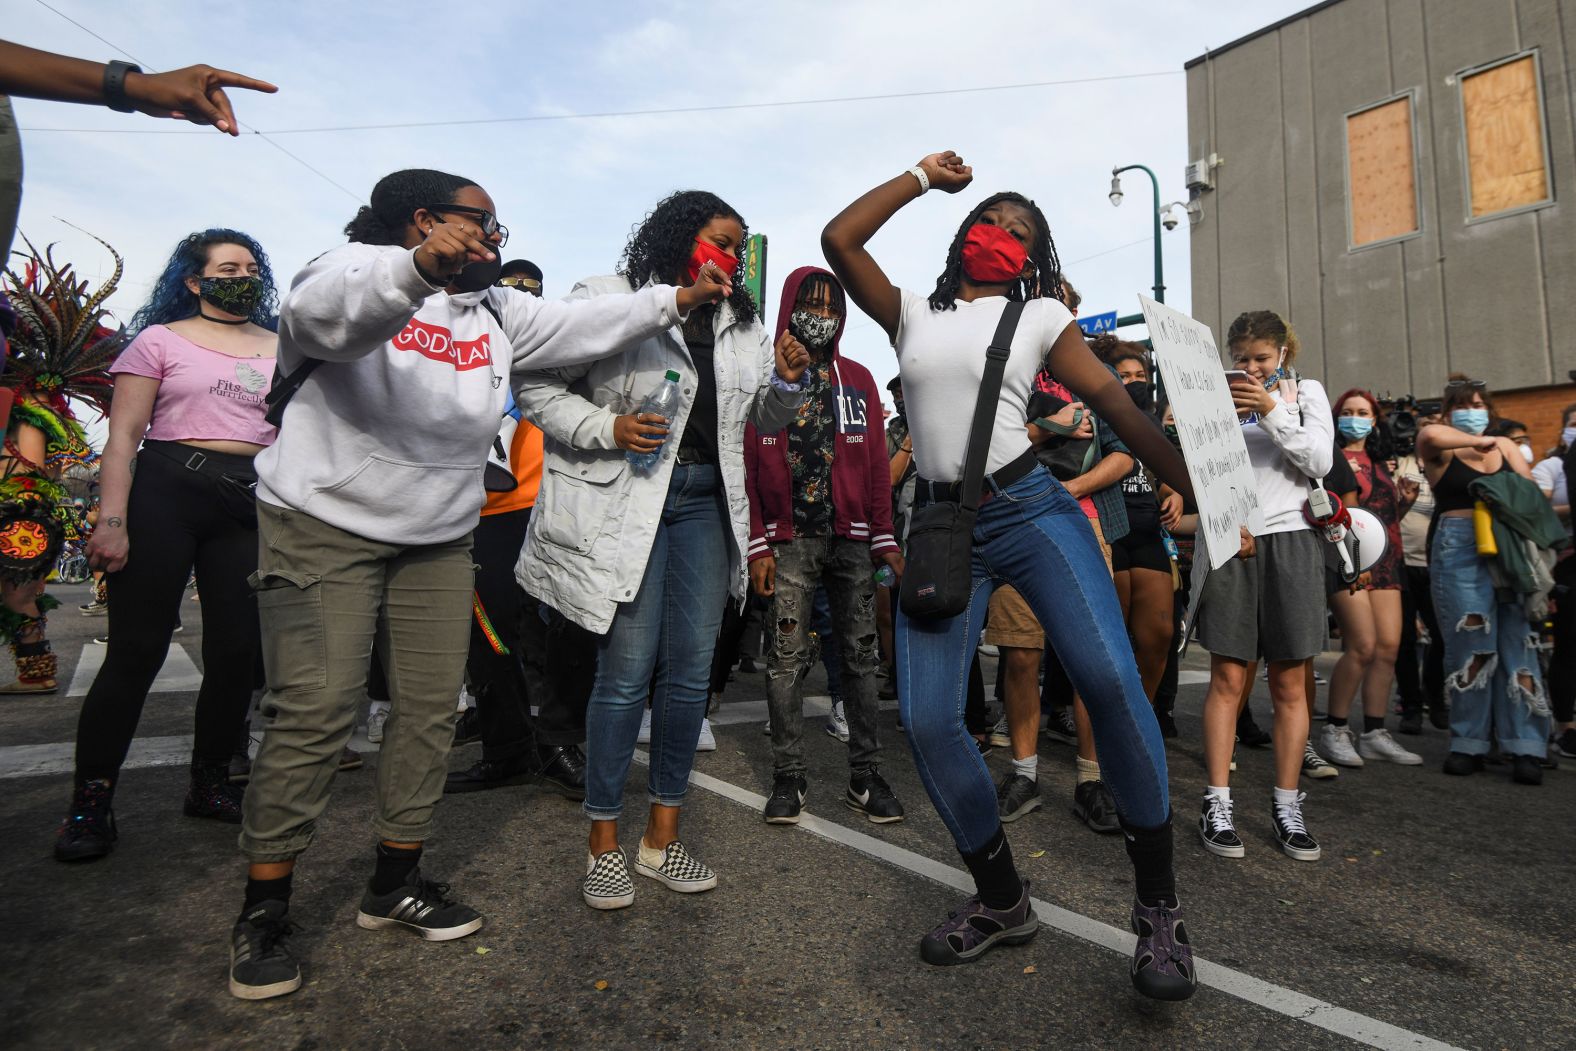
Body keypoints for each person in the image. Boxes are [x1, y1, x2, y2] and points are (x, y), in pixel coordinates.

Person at [225, 169, 730, 1001]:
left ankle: (394, 881)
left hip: (435, 535)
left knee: (428, 713)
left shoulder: (494, 309)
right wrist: (416, 269)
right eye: (482, 224)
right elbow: (323, 320)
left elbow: (581, 324)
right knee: (315, 710)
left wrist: (675, 300)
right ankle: (265, 907)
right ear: (424, 220)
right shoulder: (346, 267)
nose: (496, 239)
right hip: (323, 521)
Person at [823, 151, 1198, 1000]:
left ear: (1034, 258)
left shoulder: (1038, 319)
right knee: (925, 718)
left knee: (1109, 681)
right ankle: (1001, 900)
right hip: (943, 527)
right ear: (964, 235)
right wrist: (919, 177)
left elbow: (1114, 404)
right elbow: (839, 238)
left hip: (1032, 507)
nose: (1002, 236)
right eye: (991, 221)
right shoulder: (910, 311)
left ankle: (1160, 912)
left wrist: (1189, 471)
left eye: (1020, 232)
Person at [515, 189, 806, 912]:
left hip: (708, 505)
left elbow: (755, 419)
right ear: (680, 239)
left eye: (741, 247)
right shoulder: (610, 298)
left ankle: (661, 837)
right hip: (632, 501)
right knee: (625, 671)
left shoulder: (742, 321)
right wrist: (603, 428)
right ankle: (604, 845)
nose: (735, 258)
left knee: (689, 677)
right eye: (722, 241)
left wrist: (790, 380)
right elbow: (537, 384)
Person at [52, 229, 280, 862]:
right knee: (137, 649)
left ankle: (209, 784)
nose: (244, 275)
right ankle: (90, 804)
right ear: (194, 280)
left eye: (252, 266)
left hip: (250, 500)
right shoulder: (159, 339)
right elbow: (122, 439)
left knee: (237, 651)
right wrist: (112, 520)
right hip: (166, 493)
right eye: (228, 266)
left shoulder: (284, 344)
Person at [745, 266, 904, 825]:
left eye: (832, 307)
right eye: (811, 305)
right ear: (789, 307)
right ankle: (788, 778)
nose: (822, 316)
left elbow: (877, 468)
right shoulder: (764, 378)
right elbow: (749, 463)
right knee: (786, 661)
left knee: (862, 659)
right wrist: (758, 543)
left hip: (853, 541)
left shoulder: (858, 380)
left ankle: (864, 775)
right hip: (790, 542)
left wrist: (884, 537)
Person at [443, 264, 592, 798]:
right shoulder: (464, 341)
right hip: (483, 510)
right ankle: (505, 745)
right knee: (493, 635)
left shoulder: (546, 345)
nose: (524, 295)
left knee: (565, 628)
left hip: (552, 503)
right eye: (513, 286)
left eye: (534, 289)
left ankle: (558, 741)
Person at [1195, 310, 1332, 865]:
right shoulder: (1215, 398)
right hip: (1236, 540)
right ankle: (1217, 802)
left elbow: (1319, 461)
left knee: (1290, 683)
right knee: (1229, 675)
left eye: (1262, 359)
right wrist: (1229, 521)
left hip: (1294, 540)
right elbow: (1203, 470)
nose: (1251, 369)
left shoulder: (1306, 393)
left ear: (1283, 353)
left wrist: (1273, 409)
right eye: (1242, 359)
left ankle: (1287, 805)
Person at [1418, 377, 1553, 785]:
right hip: (1459, 547)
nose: (1472, 410)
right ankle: (1468, 743)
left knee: (1519, 645)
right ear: (1449, 411)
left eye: (1479, 404)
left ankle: (1526, 746)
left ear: (1490, 411)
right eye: (1463, 405)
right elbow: (1428, 433)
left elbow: (1532, 501)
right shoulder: (1441, 449)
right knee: (1470, 645)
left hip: (1511, 550)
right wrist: (1471, 442)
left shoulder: (1509, 447)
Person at [0, 240, 119, 693]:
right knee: (19, 596)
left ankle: (36, 673)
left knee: (18, 594)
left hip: (20, 513)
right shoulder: (36, 399)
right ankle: (36, 670)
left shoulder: (30, 400)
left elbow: (24, 471)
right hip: (28, 513)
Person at [1317, 389, 1422, 768]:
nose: (1355, 418)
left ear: (1375, 419)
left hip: (1387, 560)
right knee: (1361, 645)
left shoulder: (1384, 460)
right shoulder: (1326, 454)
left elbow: (1381, 514)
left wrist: (1404, 500)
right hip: (1348, 560)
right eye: (1348, 412)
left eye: (1363, 412)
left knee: (1388, 647)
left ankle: (1375, 732)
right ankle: (1336, 728)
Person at [1394, 421, 1447, 734]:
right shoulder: (1399, 464)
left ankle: (1435, 697)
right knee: (1404, 640)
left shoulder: (1449, 464)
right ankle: (1411, 706)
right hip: (1402, 564)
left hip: (1438, 564)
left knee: (1442, 635)